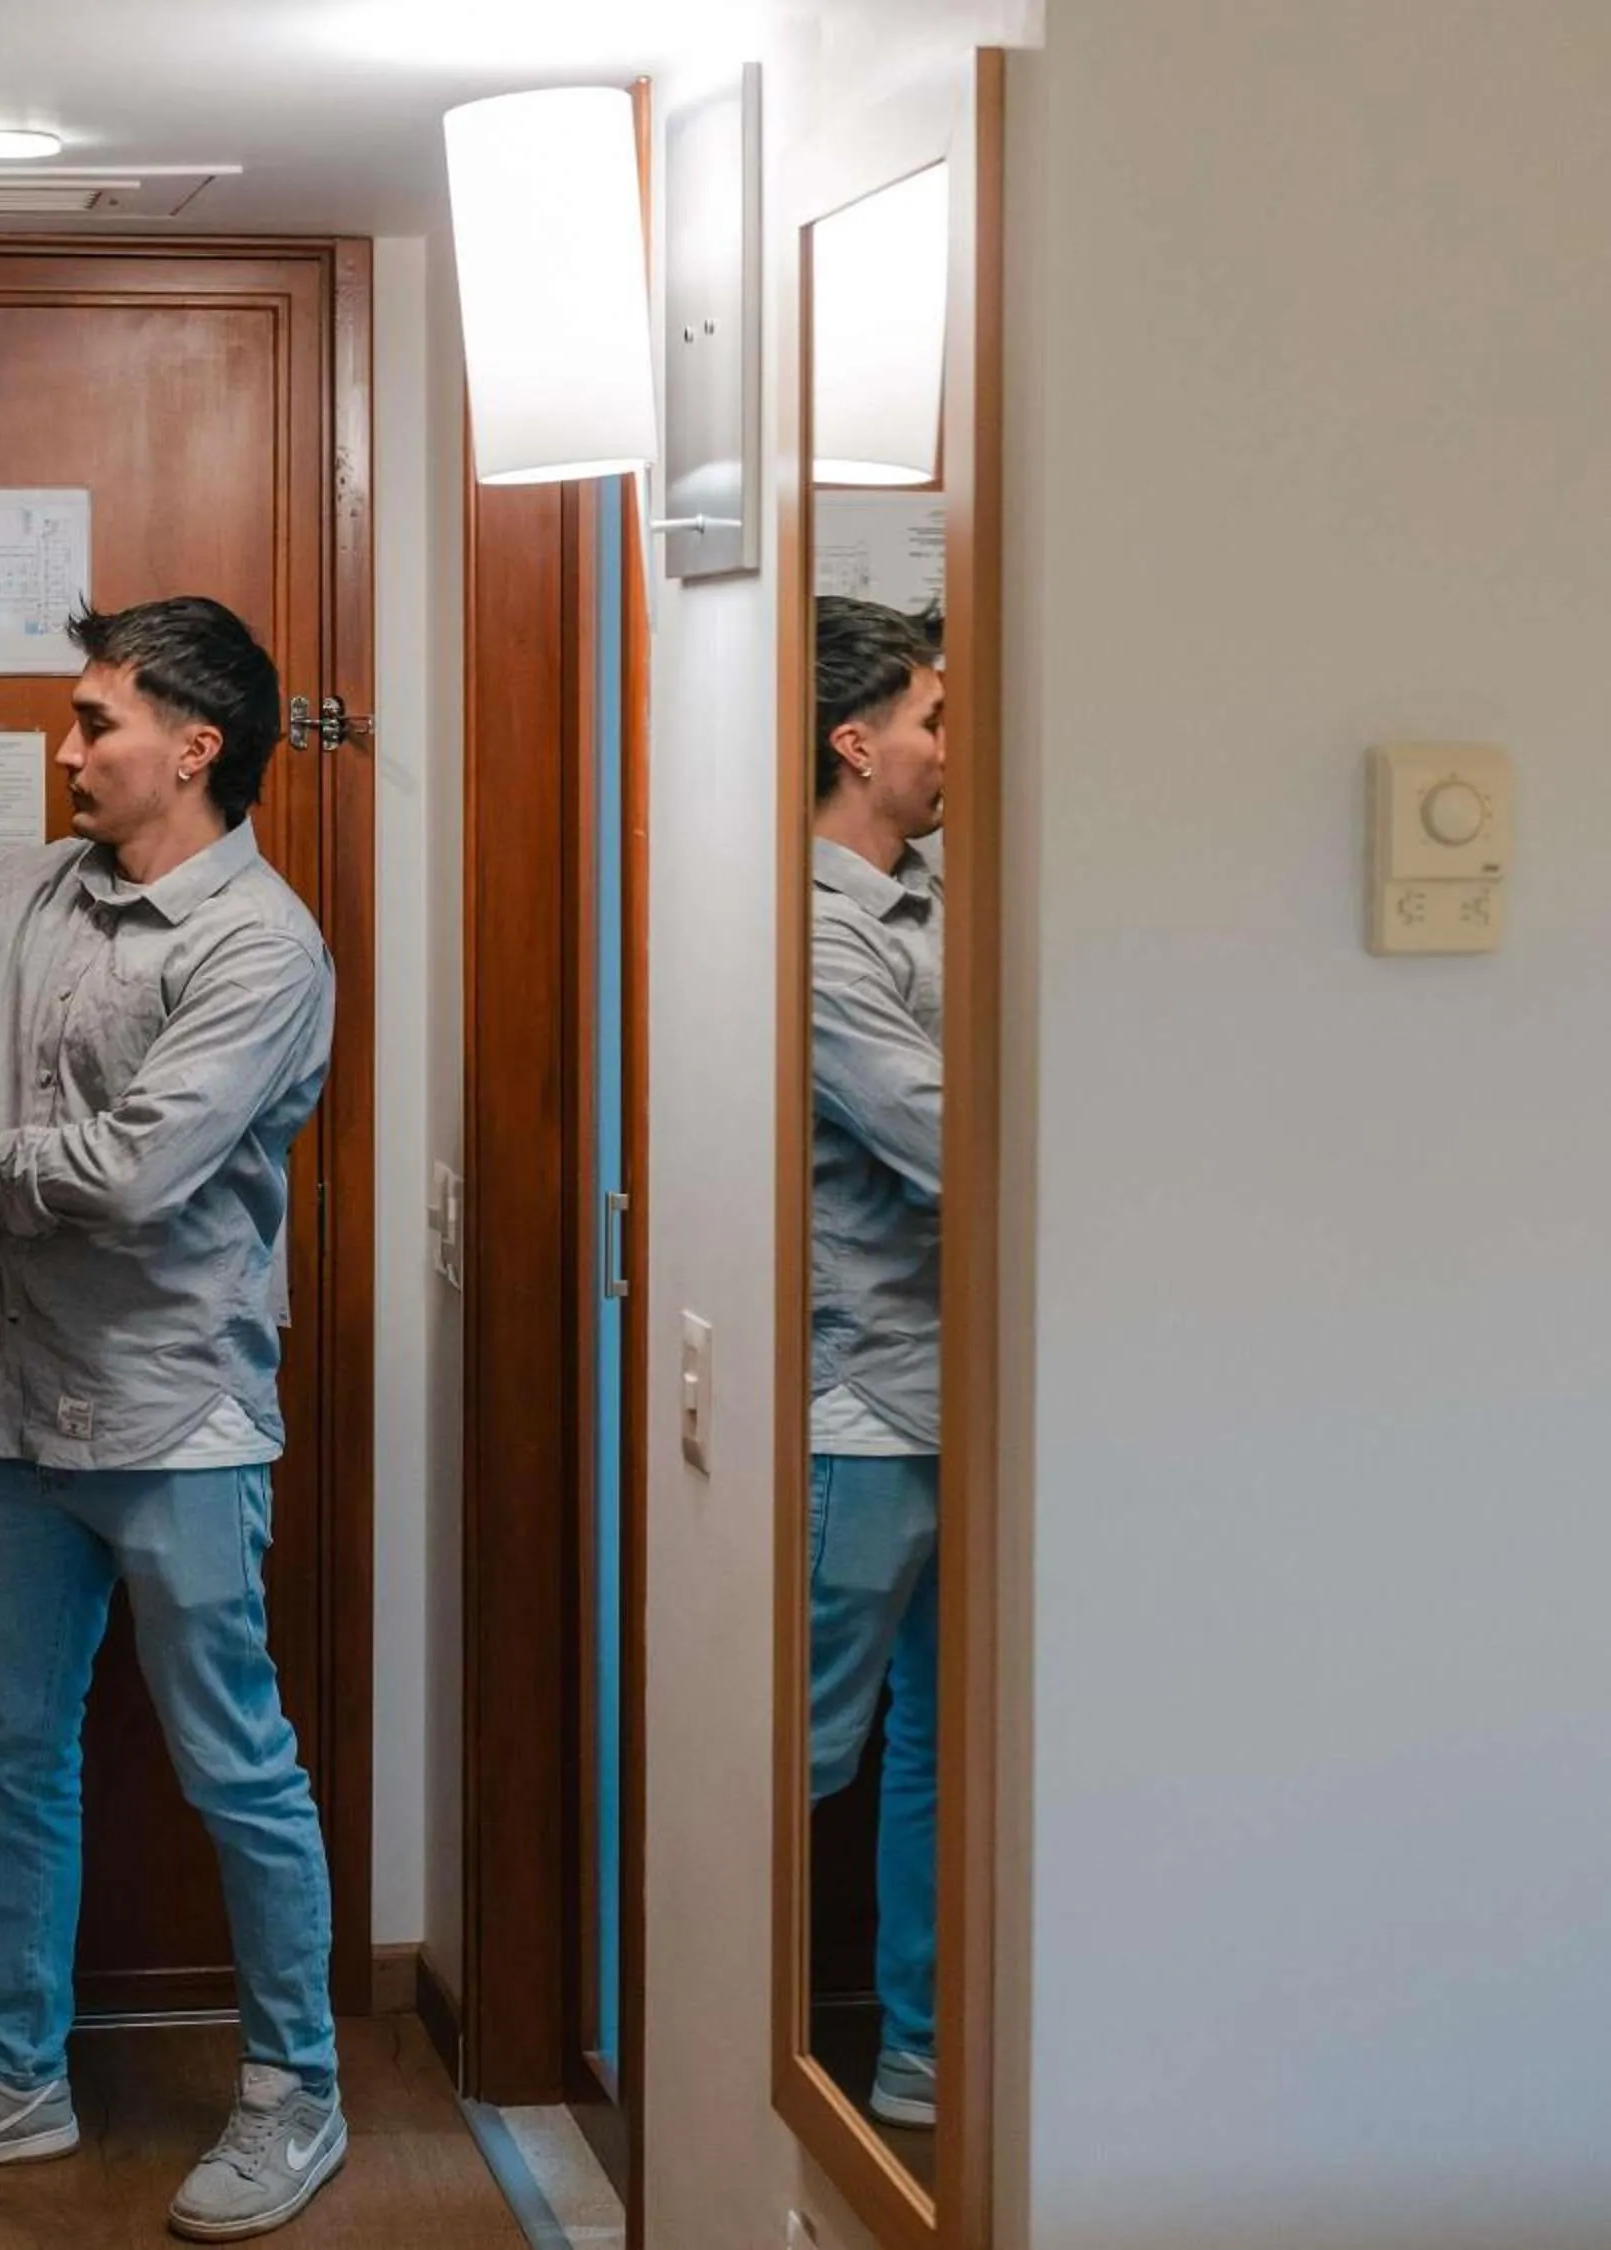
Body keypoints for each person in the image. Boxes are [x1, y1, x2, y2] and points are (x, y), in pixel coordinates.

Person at [0, 595, 344, 2242]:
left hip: (178, 1424)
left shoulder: (265, 945)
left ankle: (298, 2091)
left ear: (194, 745)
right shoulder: (40, 888)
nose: (64, 749)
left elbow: (128, 1175)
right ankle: (16, 2075)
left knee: (234, 1766)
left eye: (93, 720)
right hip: (12, 1420)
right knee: (11, 1752)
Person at [806, 595, 947, 2132]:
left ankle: (921, 2057)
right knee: (801, 1754)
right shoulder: (816, 925)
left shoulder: (933, 898)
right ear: (858, 740)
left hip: (967, 1396)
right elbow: (949, 1135)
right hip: (862, 1406)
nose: (951, 743)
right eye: (933, 716)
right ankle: (708, 2067)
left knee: (945, 1752)